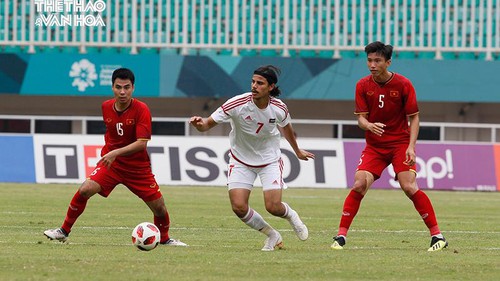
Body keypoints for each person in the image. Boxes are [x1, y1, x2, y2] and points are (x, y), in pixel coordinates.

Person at [44, 68, 187, 246]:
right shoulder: (106, 107)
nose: (122, 92)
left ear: (133, 88)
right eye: (118, 87)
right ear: (112, 87)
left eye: (126, 87)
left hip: (137, 168)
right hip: (112, 165)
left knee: (159, 207)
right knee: (85, 190)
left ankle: (165, 240)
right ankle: (63, 231)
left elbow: (142, 143)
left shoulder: (141, 109)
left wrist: (114, 152)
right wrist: (110, 153)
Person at [330, 41, 447, 252]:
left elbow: (414, 118)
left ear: (388, 62)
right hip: (374, 147)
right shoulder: (362, 85)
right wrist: (368, 125)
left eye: (377, 61)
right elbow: (361, 120)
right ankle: (340, 236)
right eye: (369, 60)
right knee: (358, 185)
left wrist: (411, 146)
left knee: (409, 186)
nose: (372, 65)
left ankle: (437, 235)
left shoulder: (403, 84)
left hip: (399, 144)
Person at [189, 65, 315, 251]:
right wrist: (199, 124)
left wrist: (297, 150)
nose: (254, 86)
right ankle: (272, 235)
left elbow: (286, 127)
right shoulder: (237, 104)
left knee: (273, 207)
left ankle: (291, 216)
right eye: (253, 82)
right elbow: (207, 124)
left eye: (260, 83)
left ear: (271, 87)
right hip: (241, 160)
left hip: (269, 160)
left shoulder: (279, 108)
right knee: (239, 206)